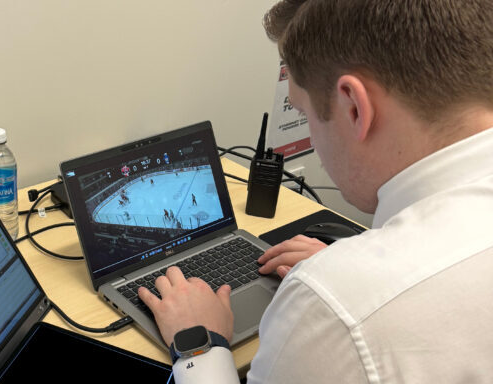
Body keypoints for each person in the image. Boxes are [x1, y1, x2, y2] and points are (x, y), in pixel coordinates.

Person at [138, 1, 493, 383]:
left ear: (354, 107)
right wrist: (356, 262)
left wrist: (200, 343)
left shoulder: (334, 308)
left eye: (305, 114)